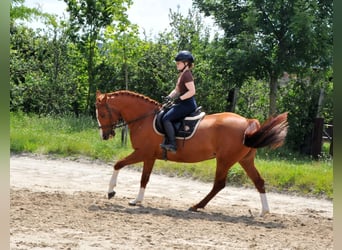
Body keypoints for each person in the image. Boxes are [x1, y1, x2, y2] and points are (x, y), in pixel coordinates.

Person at [160, 50, 198, 152]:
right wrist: (169, 97)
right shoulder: (182, 74)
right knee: (165, 112)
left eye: (178, 63)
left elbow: (192, 91)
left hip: (187, 105)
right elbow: (177, 90)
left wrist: (180, 99)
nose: (177, 65)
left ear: (186, 63)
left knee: (166, 119)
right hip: (183, 103)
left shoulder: (187, 75)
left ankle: (172, 144)